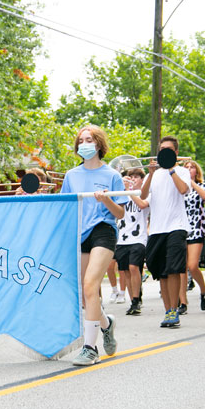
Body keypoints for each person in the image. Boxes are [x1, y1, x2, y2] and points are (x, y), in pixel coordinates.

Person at [61, 124, 123, 366]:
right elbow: (64, 208)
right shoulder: (71, 176)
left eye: (89, 139)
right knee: (85, 294)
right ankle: (106, 324)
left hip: (103, 231)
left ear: (98, 144)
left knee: (91, 284)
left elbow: (120, 213)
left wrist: (106, 200)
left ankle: (90, 348)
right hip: (80, 232)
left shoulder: (112, 175)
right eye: (81, 140)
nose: (84, 144)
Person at [141, 136, 191, 329]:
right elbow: (143, 195)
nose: (164, 153)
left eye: (169, 150)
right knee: (161, 271)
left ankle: (174, 310)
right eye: (162, 150)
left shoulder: (182, 171)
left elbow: (183, 189)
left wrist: (171, 169)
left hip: (176, 226)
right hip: (157, 229)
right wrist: (150, 174)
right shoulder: (154, 174)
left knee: (173, 268)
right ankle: (167, 310)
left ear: (176, 153)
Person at [116, 168, 149, 315]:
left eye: (136, 177)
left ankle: (136, 299)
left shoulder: (145, 194)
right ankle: (133, 300)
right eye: (131, 177)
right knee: (125, 271)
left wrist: (129, 191)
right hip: (122, 238)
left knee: (134, 267)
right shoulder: (121, 194)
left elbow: (142, 205)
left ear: (142, 180)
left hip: (138, 237)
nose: (133, 179)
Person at [180, 159, 205, 312]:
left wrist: (191, 182)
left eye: (191, 167)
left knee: (192, 266)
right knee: (181, 268)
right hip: (180, 228)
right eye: (186, 167)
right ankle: (183, 302)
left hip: (196, 228)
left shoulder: (201, 185)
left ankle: (204, 291)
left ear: (196, 171)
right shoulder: (179, 187)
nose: (189, 169)